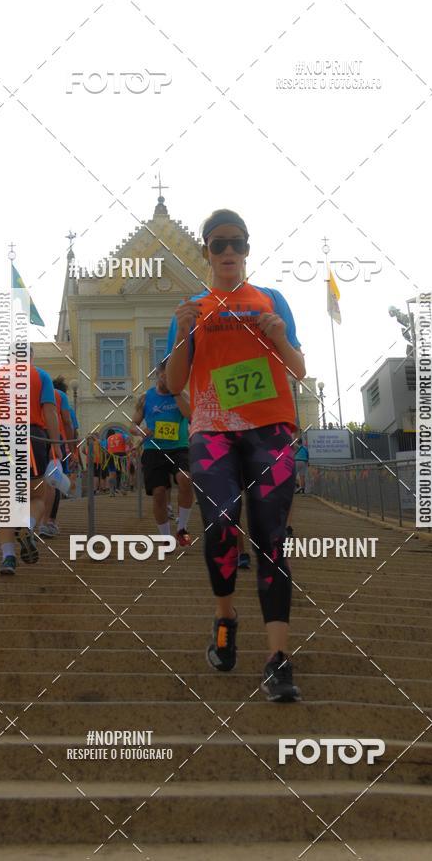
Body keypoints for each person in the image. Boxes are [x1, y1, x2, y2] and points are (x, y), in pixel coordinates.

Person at [166, 208, 305, 702]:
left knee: (270, 539)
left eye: (238, 244)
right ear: (206, 250)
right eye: (219, 244)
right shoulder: (191, 309)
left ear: (248, 249)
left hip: (269, 429)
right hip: (213, 432)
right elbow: (174, 382)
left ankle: (277, 659)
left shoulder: (272, 300)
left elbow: (300, 369)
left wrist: (280, 338)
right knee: (222, 522)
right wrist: (184, 333)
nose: (228, 253)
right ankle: (225, 618)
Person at [0, 349, 61, 576]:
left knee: (5, 500)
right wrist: (56, 445)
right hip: (32, 436)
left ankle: (8, 557)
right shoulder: (40, 375)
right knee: (37, 495)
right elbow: (50, 411)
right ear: (30, 357)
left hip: (1, 435)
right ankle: (29, 525)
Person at [131, 361, 193, 548]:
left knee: (185, 479)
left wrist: (177, 393)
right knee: (158, 493)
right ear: (158, 375)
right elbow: (132, 425)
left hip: (179, 447)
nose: (168, 379)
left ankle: (182, 528)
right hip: (153, 449)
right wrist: (142, 431)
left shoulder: (182, 395)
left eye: (172, 375)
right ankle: (165, 538)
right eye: (165, 376)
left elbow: (191, 416)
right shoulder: (145, 397)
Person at [38, 379, 74, 537]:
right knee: (52, 479)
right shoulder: (59, 395)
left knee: (34, 479)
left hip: (33, 435)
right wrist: (72, 448)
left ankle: (29, 521)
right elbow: (67, 421)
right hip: (53, 438)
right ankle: (47, 522)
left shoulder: (33, 392)